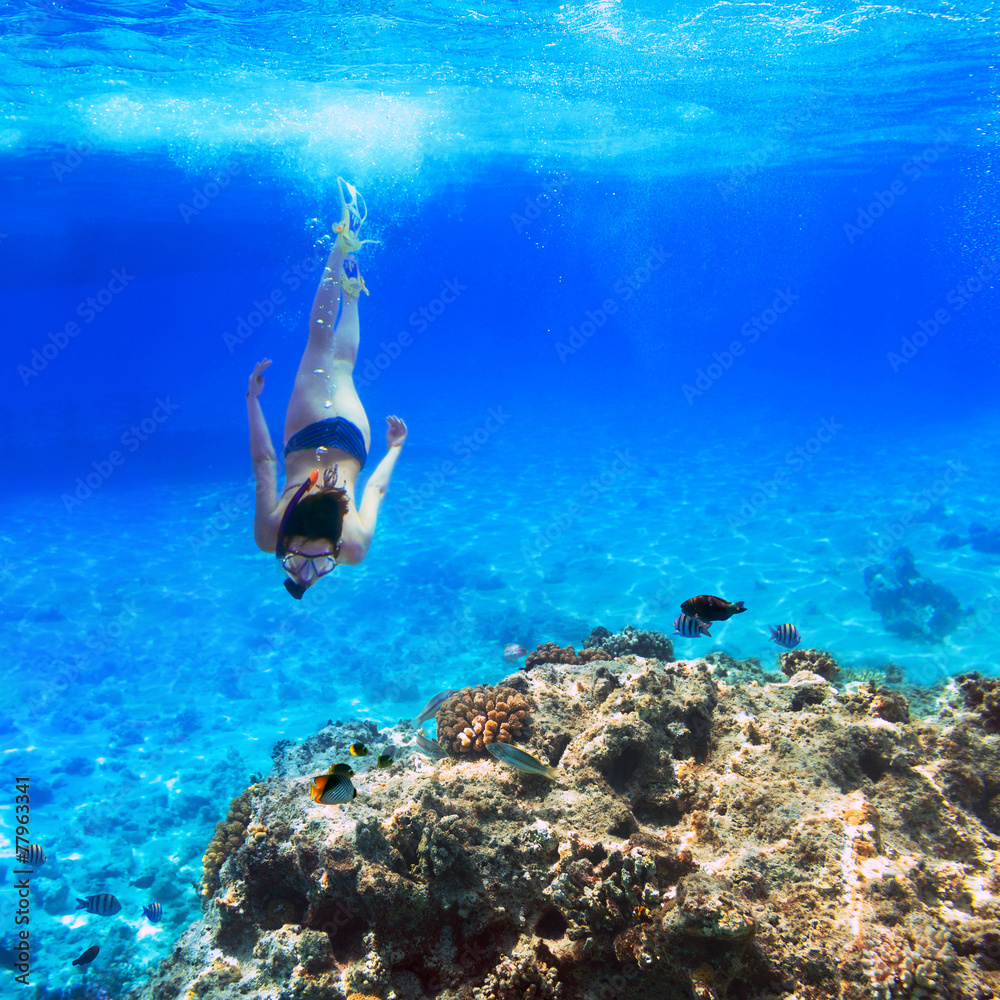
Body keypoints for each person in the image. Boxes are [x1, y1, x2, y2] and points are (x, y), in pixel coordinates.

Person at [246, 177, 407, 599]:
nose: (308, 573)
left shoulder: (352, 550)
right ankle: (343, 243)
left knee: (344, 364)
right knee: (321, 342)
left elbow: (374, 489)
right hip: (309, 430)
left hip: (354, 438)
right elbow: (263, 464)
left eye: (299, 563)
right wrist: (251, 403)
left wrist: (393, 450)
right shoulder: (270, 536)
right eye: (319, 566)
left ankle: (352, 292)